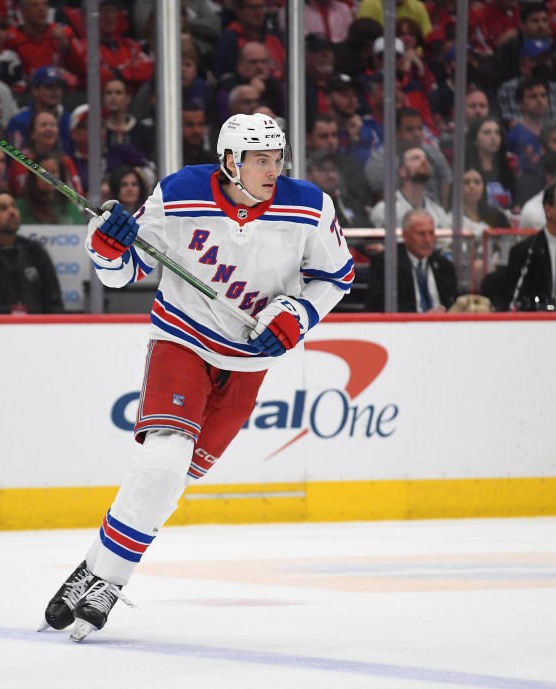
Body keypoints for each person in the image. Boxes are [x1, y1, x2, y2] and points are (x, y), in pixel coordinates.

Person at [40, 113, 354, 641]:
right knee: (163, 458)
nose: (272, 169)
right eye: (260, 160)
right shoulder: (181, 192)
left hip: (249, 362)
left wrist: (297, 315)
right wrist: (108, 246)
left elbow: (337, 276)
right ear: (230, 160)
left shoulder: (309, 206)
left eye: (277, 158)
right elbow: (126, 273)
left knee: (168, 483)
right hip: (182, 340)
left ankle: (91, 568)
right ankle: (111, 583)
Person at [366, 209, 458, 313]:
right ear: (405, 235)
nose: (428, 240)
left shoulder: (444, 265)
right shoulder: (386, 264)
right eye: (421, 234)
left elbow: (454, 302)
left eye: (431, 233)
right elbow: (378, 307)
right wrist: (422, 317)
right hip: (405, 327)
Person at [370, 146, 451, 229]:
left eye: (426, 158)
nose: (424, 161)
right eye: (416, 158)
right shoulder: (385, 211)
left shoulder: (439, 213)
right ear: (402, 171)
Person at [16, 149, 84, 225]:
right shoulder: (20, 207)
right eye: (43, 172)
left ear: (60, 176)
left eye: (54, 171)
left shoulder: (71, 208)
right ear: (34, 176)